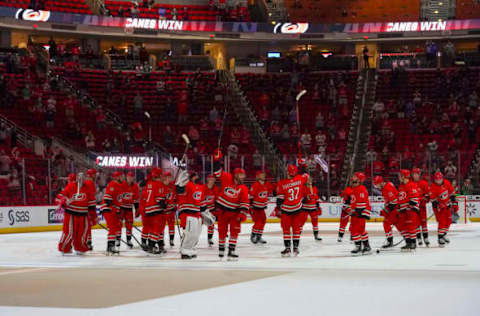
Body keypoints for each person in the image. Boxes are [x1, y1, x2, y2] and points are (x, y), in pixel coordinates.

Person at [213, 148, 249, 260]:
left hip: (234, 213)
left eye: (243, 175)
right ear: (236, 175)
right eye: (241, 175)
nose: (243, 177)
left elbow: (245, 202)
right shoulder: (227, 177)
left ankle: (231, 251)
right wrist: (216, 160)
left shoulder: (243, 188)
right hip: (222, 211)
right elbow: (217, 172)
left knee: (234, 231)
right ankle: (221, 250)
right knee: (222, 231)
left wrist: (243, 213)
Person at [56, 172, 96, 255]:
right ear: (77, 178)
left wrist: (93, 215)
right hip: (71, 214)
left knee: (82, 232)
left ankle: (80, 247)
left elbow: (91, 203)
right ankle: (64, 248)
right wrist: (64, 200)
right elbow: (60, 196)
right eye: (79, 178)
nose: (81, 180)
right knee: (69, 232)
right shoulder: (71, 186)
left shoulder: (88, 188)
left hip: (83, 214)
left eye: (83, 178)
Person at [276, 162, 309, 257]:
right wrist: (303, 167)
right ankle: (295, 248)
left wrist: (278, 209)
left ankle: (287, 249)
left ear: (287, 172)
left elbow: (280, 199)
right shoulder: (300, 178)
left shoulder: (282, 183)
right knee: (296, 229)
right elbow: (307, 175)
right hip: (297, 209)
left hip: (286, 210)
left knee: (286, 230)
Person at [175, 170, 209, 259]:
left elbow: (202, 202)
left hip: (197, 214)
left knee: (196, 234)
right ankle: (184, 250)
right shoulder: (187, 185)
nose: (197, 177)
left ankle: (191, 249)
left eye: (197, 175)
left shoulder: (200, 187)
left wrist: (205, 213)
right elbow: (179, 190)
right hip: (187, 213)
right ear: (191, 177)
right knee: (189, 233)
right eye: (195, 176)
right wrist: (179, 183)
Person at [141, 167, 168, 254]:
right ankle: (151, 246)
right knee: (157, 230)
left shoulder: (149, 183)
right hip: (156, 210)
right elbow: (159, 200)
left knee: (155, 230)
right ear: (159, 175)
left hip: (148, 210)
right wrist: (165, 204)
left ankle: (160, 245)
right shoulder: (159, 184)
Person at [346, 172, 372, 255]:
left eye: (355, 177)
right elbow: (354, 202)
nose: (352, 177)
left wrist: (357, 212)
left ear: (359, 180)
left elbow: (363, 203)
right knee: (355, 230)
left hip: (360, 214)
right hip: (356, 214)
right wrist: (351, 210)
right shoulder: (355, 189)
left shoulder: (361, 189)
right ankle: (363, 246)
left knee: (358, 230)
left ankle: (362, 246)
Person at [429, 172, 456, 247]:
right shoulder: (432, 187)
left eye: (440, 179)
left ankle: (444, 235)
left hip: (447, 207)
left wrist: (453, 202)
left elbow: (452, 193)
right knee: (442, 221)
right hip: (439, 208)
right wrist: (440, 205)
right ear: (434, 180)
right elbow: (434, 201)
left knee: (449, 221)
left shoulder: (447, 183)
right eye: (437, 180)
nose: (439, 181)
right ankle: (440, 237)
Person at [101, 171, 125, 255]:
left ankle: (111, 246)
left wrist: (118, 210)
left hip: (113, 210)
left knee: (114, 228)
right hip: (109, 209)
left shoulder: (119, 186)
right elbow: (108, 199)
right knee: (113, 228)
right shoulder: (112, 184)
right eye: (121, 176)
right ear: (117, 177)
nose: (123, 177)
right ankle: (110, 246)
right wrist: (114, 208)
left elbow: (118, 200)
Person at [397, 169, 421, 251]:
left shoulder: (411, 185)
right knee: (404, 227)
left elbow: (414, 199)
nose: (399, 177)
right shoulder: (401, 186)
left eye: (400, 176)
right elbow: (401, 198)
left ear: (404, 176)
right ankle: (408, 242)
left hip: (411, 210)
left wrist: (408, 208)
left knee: (411, 226)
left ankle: (413, 242)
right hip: (404, 210)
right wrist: (400, 208)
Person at [373, 176, 399, 248]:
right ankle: (408, 239)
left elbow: (394, 201)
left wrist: (386, 210)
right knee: (389, 223)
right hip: (395, 208)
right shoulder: (386, 186)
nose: (377, 187)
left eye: (377, 184)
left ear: (381, 182)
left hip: (395, 208)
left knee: (388, 223)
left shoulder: (387, 188)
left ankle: (390, 241)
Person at [249, 170, 273, 244]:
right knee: (258, 222)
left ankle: (259, 236)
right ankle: (253, 236)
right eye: (261, 174)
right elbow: (251, 196)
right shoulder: (255, 185)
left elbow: (270, 192)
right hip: (255, 207)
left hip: (262, 207)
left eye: (264, 174)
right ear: (257, 176)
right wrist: (250, 207)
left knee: (263, 221)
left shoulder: (266, 184)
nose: (263, 176)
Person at [120, 171, 139, 248]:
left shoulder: (135, 186)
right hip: (121, 207)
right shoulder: (121, 185)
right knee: (119, 224)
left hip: (129, 208)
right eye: (129, 177)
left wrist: (137, 208)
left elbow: (136, 199)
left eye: (131, 177)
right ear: (126, 177)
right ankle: (117, 239)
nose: (130, 178)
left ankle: (129, 240)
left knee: (129, 225)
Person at [411, 168, 431, 246]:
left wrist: (425, 199)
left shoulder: (424, 183)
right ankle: (419, 238)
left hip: (422, 208)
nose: (415, 176)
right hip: (414, 208)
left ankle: (426, 238)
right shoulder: (410, 183)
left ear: (419, 175)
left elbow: (427, 195)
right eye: (414, 174)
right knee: (416, 224)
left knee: (423, 223)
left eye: (417, 174)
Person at [301, 176, 322, 241]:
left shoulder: (315, 188)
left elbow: (316, 198)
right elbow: (300, 199)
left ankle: (316, 236)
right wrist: (306, 198)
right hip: (305, 208)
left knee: (315, 222)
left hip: (313, 208)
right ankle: (297, 235)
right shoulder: (302, 188)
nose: (309, 181)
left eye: (310, 180)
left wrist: (318, 206)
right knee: (301, 222)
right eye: (308, 180)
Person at [203, 174, 219, 246]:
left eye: (213, 179)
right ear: (207, 180)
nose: (211, 181)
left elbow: (217, 200)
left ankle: (209, 239)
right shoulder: (203, 188)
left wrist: (217, 208)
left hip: (212, 210)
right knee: (197, 225)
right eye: (210, 179)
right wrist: (203, 208)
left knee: (211, 225)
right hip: (203, 210)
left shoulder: (216, 188)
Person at [84, 169, 97, 251]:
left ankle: (87, 242)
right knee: (87, 226)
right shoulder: (90, 183)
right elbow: (91, 197)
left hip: (86, 206)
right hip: (88, 207)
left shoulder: (87, 182)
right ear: (91, 175)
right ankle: (87, 242)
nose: (95, 175)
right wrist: (93, 212)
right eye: (94, 174)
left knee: (87, 226)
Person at [163, 171, 177, 247]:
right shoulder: (161, 186)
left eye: (170, 177)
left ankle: (171, 240)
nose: (169, 178)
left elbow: (175, 196)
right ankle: (161, 240)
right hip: (164, 211)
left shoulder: (173, 186)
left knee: (171, 226)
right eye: (167, 177)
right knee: (161, 226)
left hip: (171, 210)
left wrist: (175, 203)